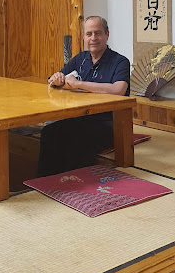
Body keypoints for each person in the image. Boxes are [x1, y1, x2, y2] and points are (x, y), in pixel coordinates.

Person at [37, 16, 130, 177]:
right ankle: (44, 182)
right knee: (49, 132)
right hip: (79, 118)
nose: (93, 38)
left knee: (77, 139)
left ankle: (72, 183)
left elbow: (118, 90)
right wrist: (56, 79)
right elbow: (57, 78)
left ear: (107, 34)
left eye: (98, 33)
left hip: (108, 123)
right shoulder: (80, 58)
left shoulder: (120, 61)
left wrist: (79, 84)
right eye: (89, 34)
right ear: (83, 37)